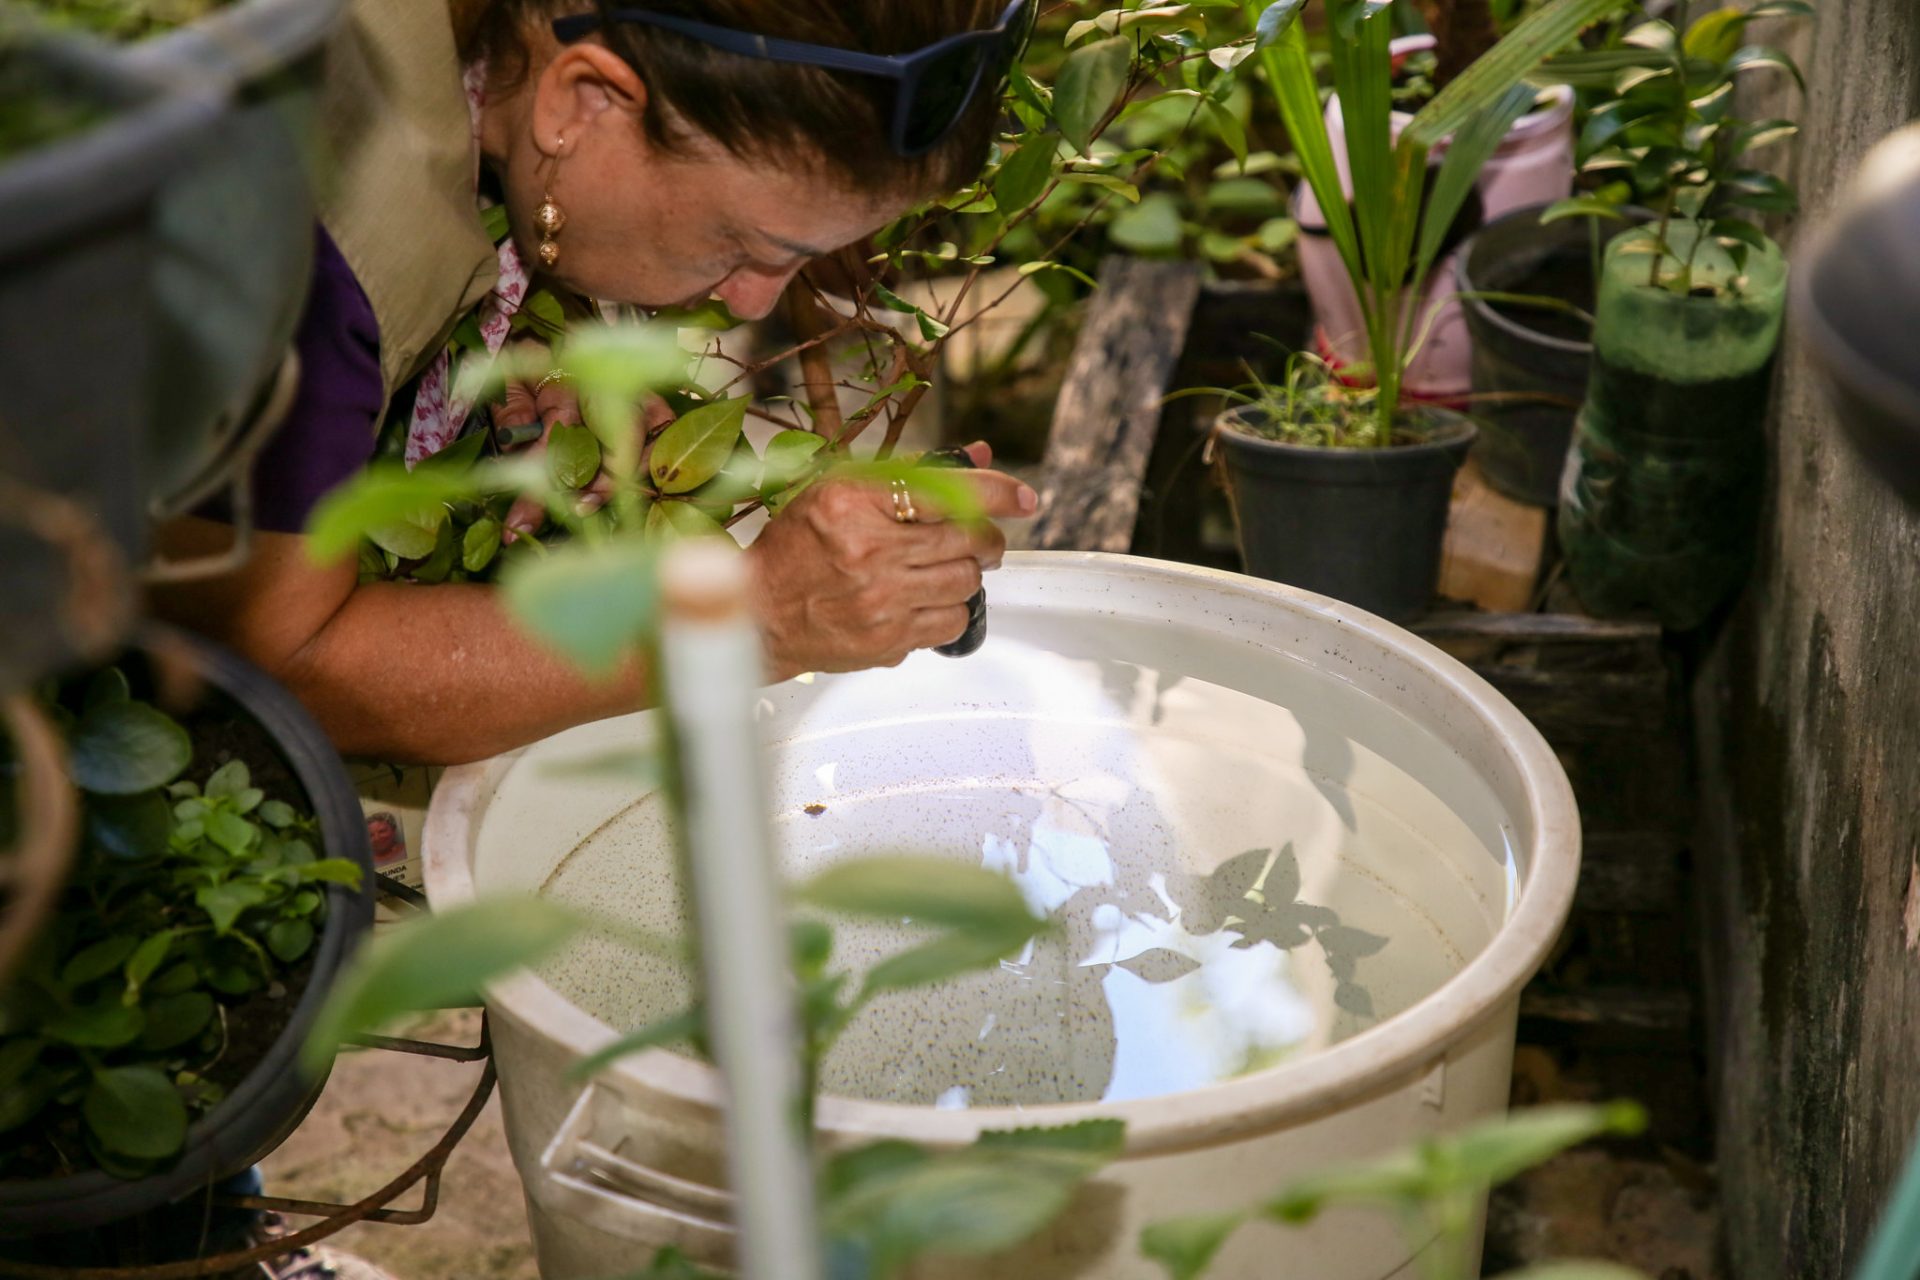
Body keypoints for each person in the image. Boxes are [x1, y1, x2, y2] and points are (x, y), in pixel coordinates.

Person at [155, 0, 1039, 767]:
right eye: (745, 247)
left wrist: (529, 323)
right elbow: (263, 665)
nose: (748, 302)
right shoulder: (305, 253)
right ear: (582, 100)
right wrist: (751, 618)